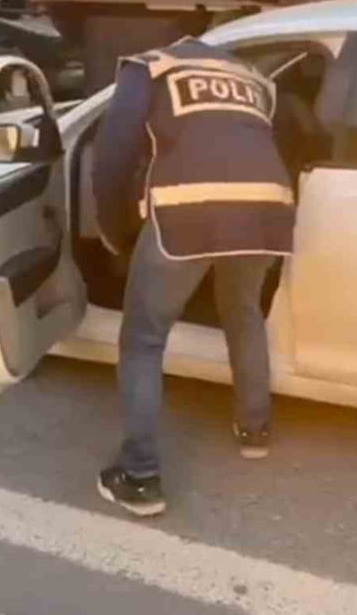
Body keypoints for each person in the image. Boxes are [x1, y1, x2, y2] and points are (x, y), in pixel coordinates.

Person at [92, 37, 295, 517]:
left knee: (143, 338)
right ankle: (255, 430)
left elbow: (114, 150)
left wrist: (113, 229)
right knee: (243, 312)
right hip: (267, 210)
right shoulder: (253, 78)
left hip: (190, 209)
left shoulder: (150, 66)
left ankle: (139, 478)